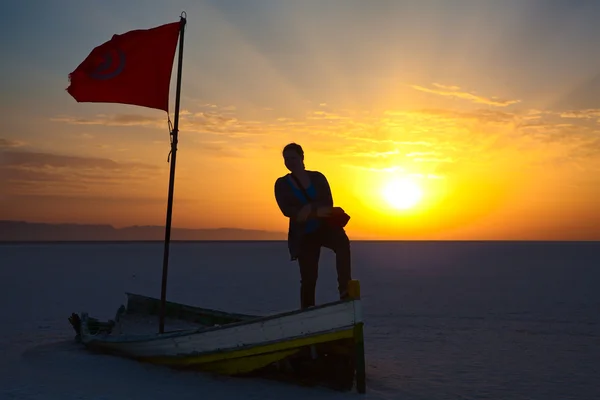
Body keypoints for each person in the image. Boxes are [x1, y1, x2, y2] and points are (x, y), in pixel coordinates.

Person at [274, 142, 352, 309]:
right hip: (303, 234)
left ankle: (345, 288)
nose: (290, 162)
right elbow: (288, 210)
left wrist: (309, 209)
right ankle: (307, 312)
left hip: (324, 228)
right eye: (286, 159)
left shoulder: (318, 177)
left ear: (302, 157)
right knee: (309, 278)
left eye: (293, 158)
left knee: (342, 243)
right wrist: (315, 211)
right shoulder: (281, 183)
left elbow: (328, 203)